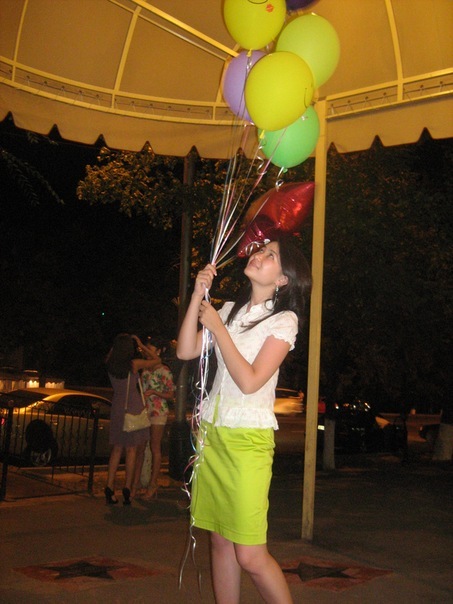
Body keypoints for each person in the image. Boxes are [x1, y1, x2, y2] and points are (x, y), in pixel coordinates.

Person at [176, 235, 312, 604]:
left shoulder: (283, 321)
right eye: (261, 250)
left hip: (247, 442)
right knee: (220, 541)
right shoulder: (229, 311)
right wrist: (197, 296)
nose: (259, 255)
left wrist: (219, 330)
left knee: (250, 554)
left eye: (271, 256)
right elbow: (186, 350)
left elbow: (251, 381)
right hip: (212, 437)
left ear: (282, 279)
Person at [104, 333, 150, 505]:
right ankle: (127, 488)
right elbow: (157, 360)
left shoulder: (110, 363)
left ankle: (109, 487)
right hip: (133, 408)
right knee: (131, 450)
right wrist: (141, 345)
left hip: (117, 408)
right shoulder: (134, 364)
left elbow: (111, 353)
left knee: (117, 449)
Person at [131, 337, 176, 499]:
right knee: (140, 448)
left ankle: (152, 484)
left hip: (158, 411)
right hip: (144, 410)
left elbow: (171, 394)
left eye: (150, 349)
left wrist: (155, 392)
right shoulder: (146, 368)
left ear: (158, 351)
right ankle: (135, 483)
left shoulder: (164, 370)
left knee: (155, 447)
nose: (147, 352)